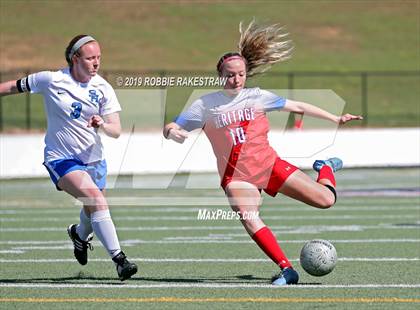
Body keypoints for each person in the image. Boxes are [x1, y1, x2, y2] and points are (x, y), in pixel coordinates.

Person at [163, 22, 362, 285]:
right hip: (237, 176)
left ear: (247, 74)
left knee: (326, 200)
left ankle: (325, 167)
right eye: (230, 74)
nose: (236, 79)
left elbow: (298, 105)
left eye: (241, 74)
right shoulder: (205, 104)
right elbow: (170, 126)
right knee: (248, 215)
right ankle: (287, 270)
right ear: (219, 74)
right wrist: (173, 132)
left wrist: (334, 117)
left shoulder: (258, 97)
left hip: (269, 166)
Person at [0, 35, 137, 281]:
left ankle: (79, 234)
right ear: (75, 58)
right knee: (95, 198)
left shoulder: (103, 87)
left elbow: (116, 130)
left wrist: (102, 124)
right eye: (90, 58)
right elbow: (11, 87)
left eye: (98, 57)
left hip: (94, 159)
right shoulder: (51, 80)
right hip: (60, 158)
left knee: (92, 205)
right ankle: (120, 260)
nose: (96, 63)